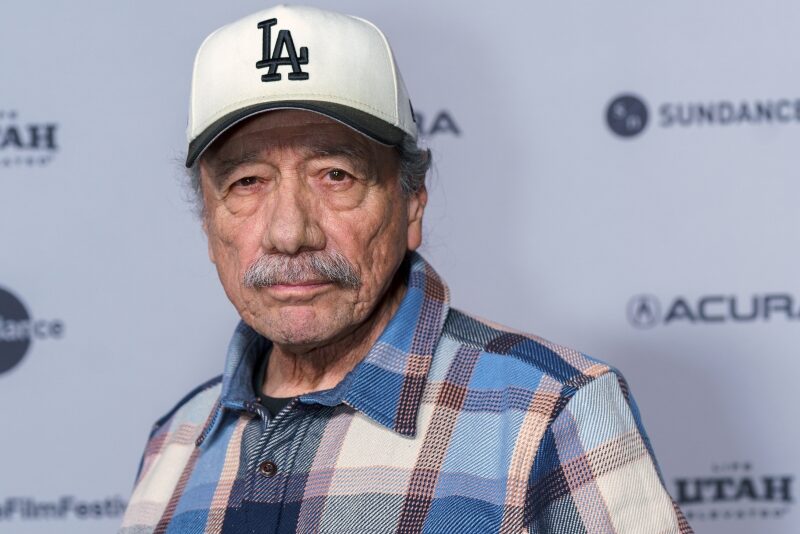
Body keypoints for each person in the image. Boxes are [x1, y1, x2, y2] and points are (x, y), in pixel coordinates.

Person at [120, 5, 692, 533]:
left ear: (412, 201)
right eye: (247, 182)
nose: (290, 233)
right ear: (209, 221)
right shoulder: (173, 444)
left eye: (335, 175)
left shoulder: (551, 414)